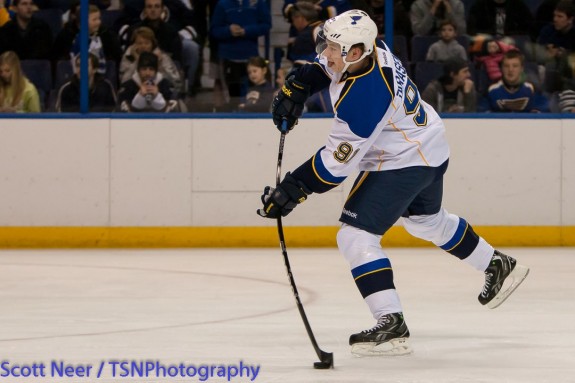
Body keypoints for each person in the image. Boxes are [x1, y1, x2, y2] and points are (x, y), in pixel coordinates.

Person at [257, 10, 529, 356]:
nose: (324, 52)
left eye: (332, 48)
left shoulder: (365, 98)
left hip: (404, 160)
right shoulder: (369, 49)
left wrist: (291, 190)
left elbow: (333, 168)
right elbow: (325, 66)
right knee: (425, 221)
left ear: (355, 52)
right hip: (430, 145)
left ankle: (390, 321)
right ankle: (495, 263)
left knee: (354, 235)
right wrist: (300, 85)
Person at [119, 26, 183, 96]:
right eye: (139, 43)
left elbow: (174, 82)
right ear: (134, 44)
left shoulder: (162, 57)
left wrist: (159, 65)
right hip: (133, 92)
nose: (143, 46)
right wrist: (137, 62)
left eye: (146, 43)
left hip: (161, 92)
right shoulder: (128, 57)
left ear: (152, 44)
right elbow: (124, 82)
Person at [481, 50, 549, 112]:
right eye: (506, 66)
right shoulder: (491, 90)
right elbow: (482, 112)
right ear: (501, 68)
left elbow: (543, 109)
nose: (510, 70)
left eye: (515, 66)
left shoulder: (531, 89)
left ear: (521, 69)